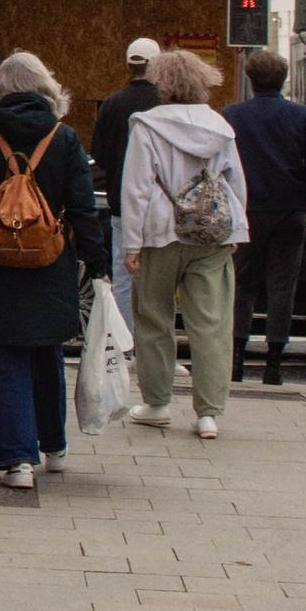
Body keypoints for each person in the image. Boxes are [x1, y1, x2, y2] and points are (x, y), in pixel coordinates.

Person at [0, 54, 107, 486]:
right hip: (49, 262)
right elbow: (82, 206)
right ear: (47, 88)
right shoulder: (65, 137)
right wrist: (97, 264)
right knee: (46, 352)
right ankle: (53, 446)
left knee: (4, 357)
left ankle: (18, 462)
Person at [120, 49, 249, 440]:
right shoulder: (220, 127)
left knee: (154, 317)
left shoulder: (146, 126)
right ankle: (208, 412)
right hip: (211, 234)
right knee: (210, 323)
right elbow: (235, 182)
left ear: (163, 84)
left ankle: (157, 403)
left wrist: (131, 243)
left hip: (160, 230)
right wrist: (236, 230)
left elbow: (137, 186)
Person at [225, 46, 306, 385]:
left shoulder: (233, 115)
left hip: (247, 209)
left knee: (242, 284)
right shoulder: (302, 116)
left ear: (250, 79)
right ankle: (273, 364)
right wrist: (304, 201)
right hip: (289, 209)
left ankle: (236, 360)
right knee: (283, 285)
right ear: (283, 80)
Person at [90, 39, 163, 327]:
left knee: (123, 276)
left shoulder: (112, 103)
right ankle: (156, 345)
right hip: (161, 204)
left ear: (128, 65)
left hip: (121, 200)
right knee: (161, 278)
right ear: (156, 64)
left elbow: (98, 154)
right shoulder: (166, 102)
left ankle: (126, 346)